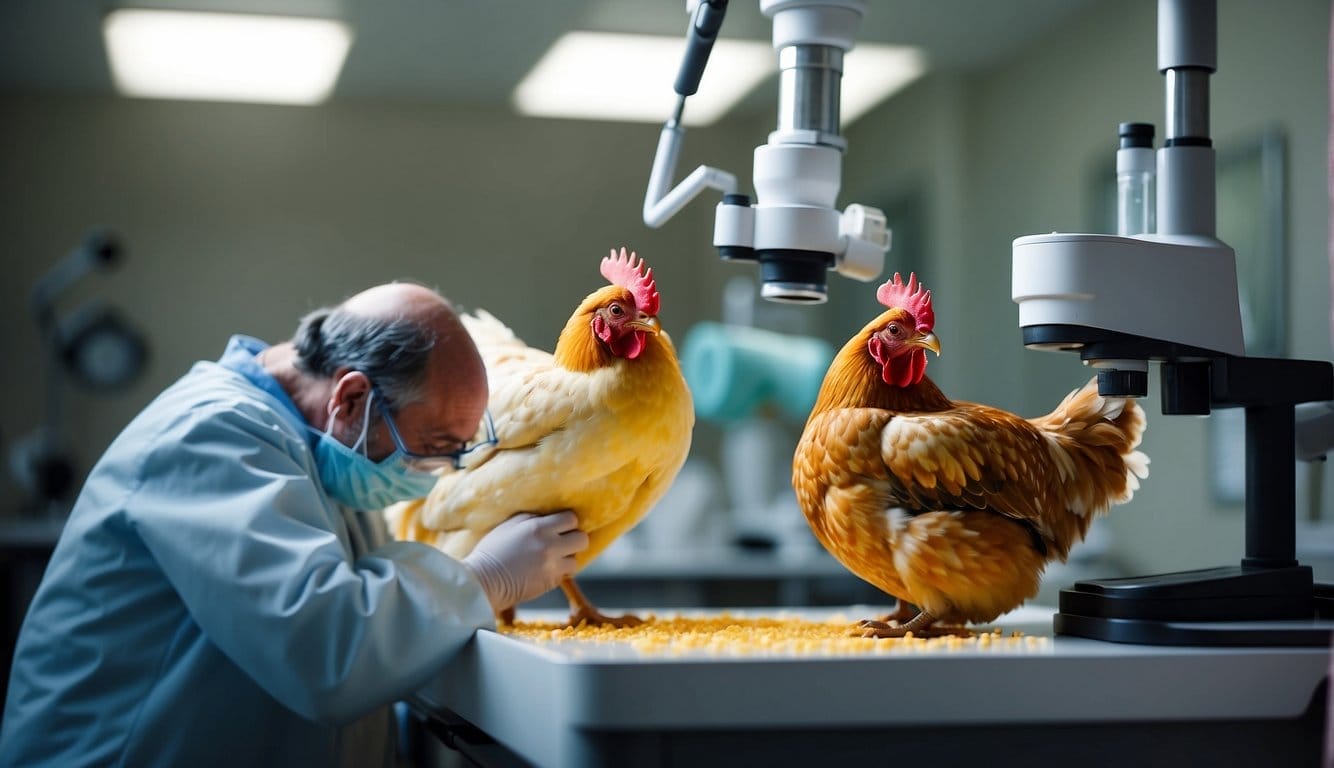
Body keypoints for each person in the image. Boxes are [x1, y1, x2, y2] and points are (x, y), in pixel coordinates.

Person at [0, 282, 588, 767]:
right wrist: (485, 577)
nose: (434, 473)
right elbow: (328, 653)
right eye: (433, 448)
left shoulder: (321, 456)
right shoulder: (209, 436)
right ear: (351, 398)